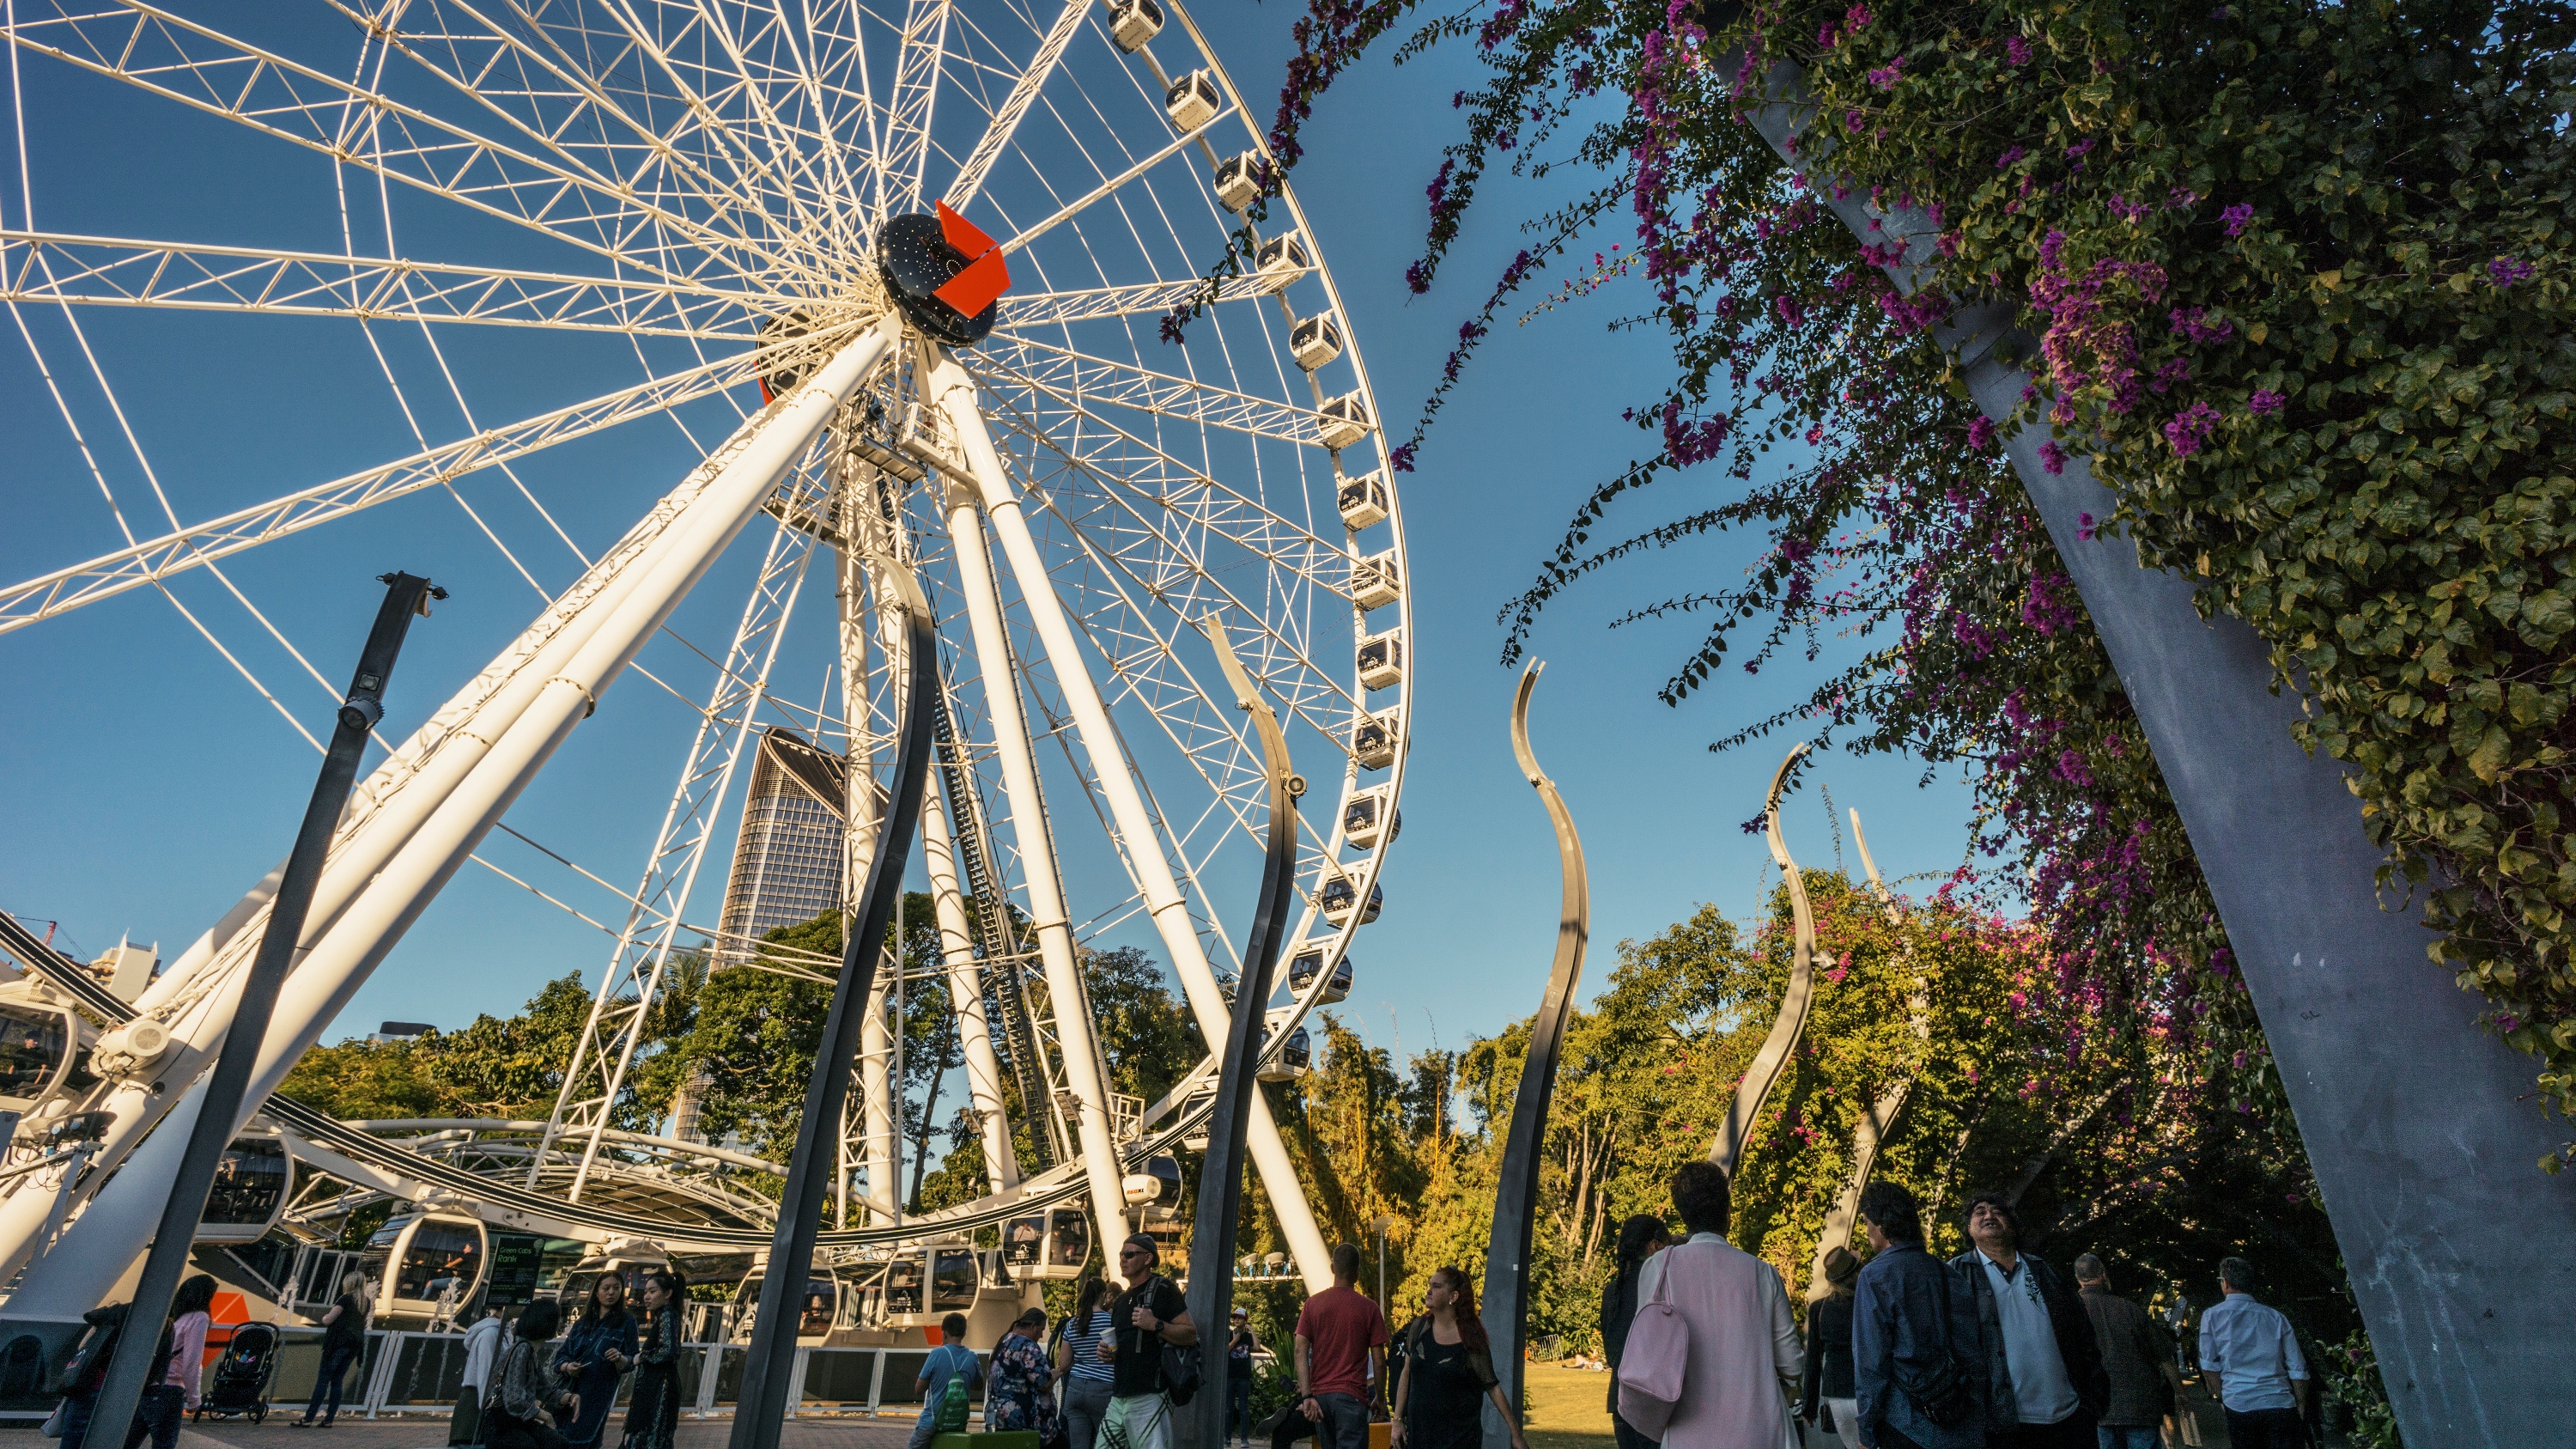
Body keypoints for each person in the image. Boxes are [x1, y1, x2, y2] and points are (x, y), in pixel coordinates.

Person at [1621, 1160, 1802, 1449]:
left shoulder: (1659, 1269)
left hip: (1687, 1433)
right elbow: (1792, 1362)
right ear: (1728, 1213)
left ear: (1683, 1214)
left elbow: (1650, 1349)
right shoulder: (1762, 1272)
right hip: (1760, 1431)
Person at [1947, 1194, 2105, 1447]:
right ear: (1968, 1228)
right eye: (1980, 1212)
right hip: (2001, 1424)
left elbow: (2082, 1334)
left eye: (1998, 1211)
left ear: (2012, 1223)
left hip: (2070, 1416)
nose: (1989, 1215)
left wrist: (2093, 1398)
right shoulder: (1954, 1276)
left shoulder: (2045, 1271)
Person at [1850, 1181, 1983, 1449]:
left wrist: (1866, 1429)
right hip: (1959, 1417)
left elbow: (1871, 1363)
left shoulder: (1875, 1276)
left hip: (1906, 1423)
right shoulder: (1948, 1272)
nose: (1866, 1232)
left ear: (1882, 1224)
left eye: (1866, 1222)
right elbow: (1973, 1350)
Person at [1389, 1266, 1527, 1449]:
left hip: (1459, 1440)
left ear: (1453, 1297)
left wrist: (1516, 1435)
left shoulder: (1471, 1338)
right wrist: (1397, 1420)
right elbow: (1407, 1373)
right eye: (1430, 1285)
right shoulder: (1419, 1327)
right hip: (1420, 1438)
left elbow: (1492, 1387)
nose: (1429, 1291)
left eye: (1436, 1286)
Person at [1279, 1244, 1385, 1449]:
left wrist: (1307, 1395)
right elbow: (1379, 1361)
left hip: (1321, 1401)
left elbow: (1300, 1351)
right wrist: (1380, 1399)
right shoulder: (1369, 1308)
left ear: (1332, 1268)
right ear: (1357, 1272)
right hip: (1352, 1400)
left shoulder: (1312, 1304)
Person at [2195, 1259, 2309, 1449]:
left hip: (2239, 1403)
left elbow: (2209, 1365)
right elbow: (2298, 1367)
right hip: (2279, 1402)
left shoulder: (2211, 1316)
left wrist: (2222, 1397)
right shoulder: (2276, 1317)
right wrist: (2301, 1403)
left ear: (2225, 1282)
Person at [1096, 1233, 1194, 1449]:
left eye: (1129, 1255)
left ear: (1148, 1258)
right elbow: (1124, 1347)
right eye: (1121, 1254)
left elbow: (1190, 1334)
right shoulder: (1121, 1300)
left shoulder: (1164, 1289)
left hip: (1150, 1395)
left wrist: (1156, 1324)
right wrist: (1107, 1353)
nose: (1123, 1259)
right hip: (1120, 1395)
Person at [2071, 1256, 2178, 1449]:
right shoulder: (2129, 1309)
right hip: (2139, 1406)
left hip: (2094, 1410)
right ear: (2103, 1274)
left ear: (2078, 1278)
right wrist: (2180, 1392)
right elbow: (2164, 1356)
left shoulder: (2069, 1310)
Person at [1600, 1215, 1671, 1449]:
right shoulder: (1663, 1288)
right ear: (1654, 1245)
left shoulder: (1613, 1291)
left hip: (1622, 1402)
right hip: (1656, 1404)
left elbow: (1612, 1355)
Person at [552, 1275, 637, 1449]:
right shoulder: (583, 1322)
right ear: (596, 1292)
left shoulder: (627, 1322)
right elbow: (561, 1356)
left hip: (596, 1396)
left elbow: (632, 1360)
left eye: (616, 1288)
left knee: (583, 1440)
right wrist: (568, 1366)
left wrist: (620, 1359)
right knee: (558, 1439)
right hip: (568, 1392)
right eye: (606, 1288)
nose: (611, 1292)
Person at [489, 1299, 576, 1449]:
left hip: (516, 1423)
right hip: (503, 1426)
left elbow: (544, 1389)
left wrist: (570, 1397)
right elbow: (514, 1400)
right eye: (557, 1318)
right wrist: (545, 1415)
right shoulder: (523, 1349)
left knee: (559, 1444)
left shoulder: (530, 1351)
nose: (559, 1323)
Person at [1801, 1247, 1865, 1449]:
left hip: (1837, 1396)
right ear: (1858, 1271)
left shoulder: (1819, 1309)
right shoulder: (1868, 1303)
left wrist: (1809, 1407)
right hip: (1867, 1392)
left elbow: (1813, 1360)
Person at [295, 1269, 371, 1428]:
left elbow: (329, 1320)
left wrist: (323, 1318)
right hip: (354, 1346)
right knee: (337, 1382)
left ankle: (308, 1418)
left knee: (323, 1381)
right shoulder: (366, 1301)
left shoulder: (345, 1299)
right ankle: (329, 1419)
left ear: (349, 1283)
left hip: (337, 1345)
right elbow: (362, 1323)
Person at [621, 1271, 686, 1449]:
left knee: (650, 1438)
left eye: (652, 1291)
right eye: (645, 1292)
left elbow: (669, 1351)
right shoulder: (666, 1315)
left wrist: (641, 1357)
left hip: (660, 1388)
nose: (647, 1297)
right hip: (658, 1386)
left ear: (668, 1294)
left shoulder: (667, 1315)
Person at [1055, 1279, 1116, 1449]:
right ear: (1104, 1295)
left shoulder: (1072, 1323)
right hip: (1103, 1389)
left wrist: (1081, 1359)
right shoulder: (1111, 1321)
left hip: (1075, 1389)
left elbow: (1064, 1364)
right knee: (1104, 1444)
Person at [911, 1313, 985, 1449]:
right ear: (964, 1333)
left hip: (932, 1421)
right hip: (958, 1423)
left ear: (944, 1333)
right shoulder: (972, 1357)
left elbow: (919, 1390)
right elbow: (978, 1386)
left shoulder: (937, 1354)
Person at [987, 1308, 1060, 1441]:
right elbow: (1044, 1383)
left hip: (999, 1417)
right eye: (1042, 1330)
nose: (1042, 1336)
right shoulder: (1027, 1346)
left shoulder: (1004, 1341)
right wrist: (1055, 1375)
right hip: (1023, 1419)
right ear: (1033, 1327)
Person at [454, 1305, 508, 1446]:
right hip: (476, 1405)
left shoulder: (499, 1331)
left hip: (480, 1402)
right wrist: (488, 1409)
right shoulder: (490, 1334)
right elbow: (486, 1374)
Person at [1225, 1308, 1259, 1447]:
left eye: (1240, 1318)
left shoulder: (1248, 1336)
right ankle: (1227, 1438)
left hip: (1244, 1377)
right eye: (1235, 1318)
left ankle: (1244, 1440)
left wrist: (1251, 1331)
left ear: (1245, 1320)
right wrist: (1234, 1340)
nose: (1236, 1320)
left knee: (1244, 1409)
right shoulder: (1229, 1334)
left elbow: (1257, 1347)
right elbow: (1225, 1350)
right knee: (1228, 1408)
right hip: (1230, 1376)